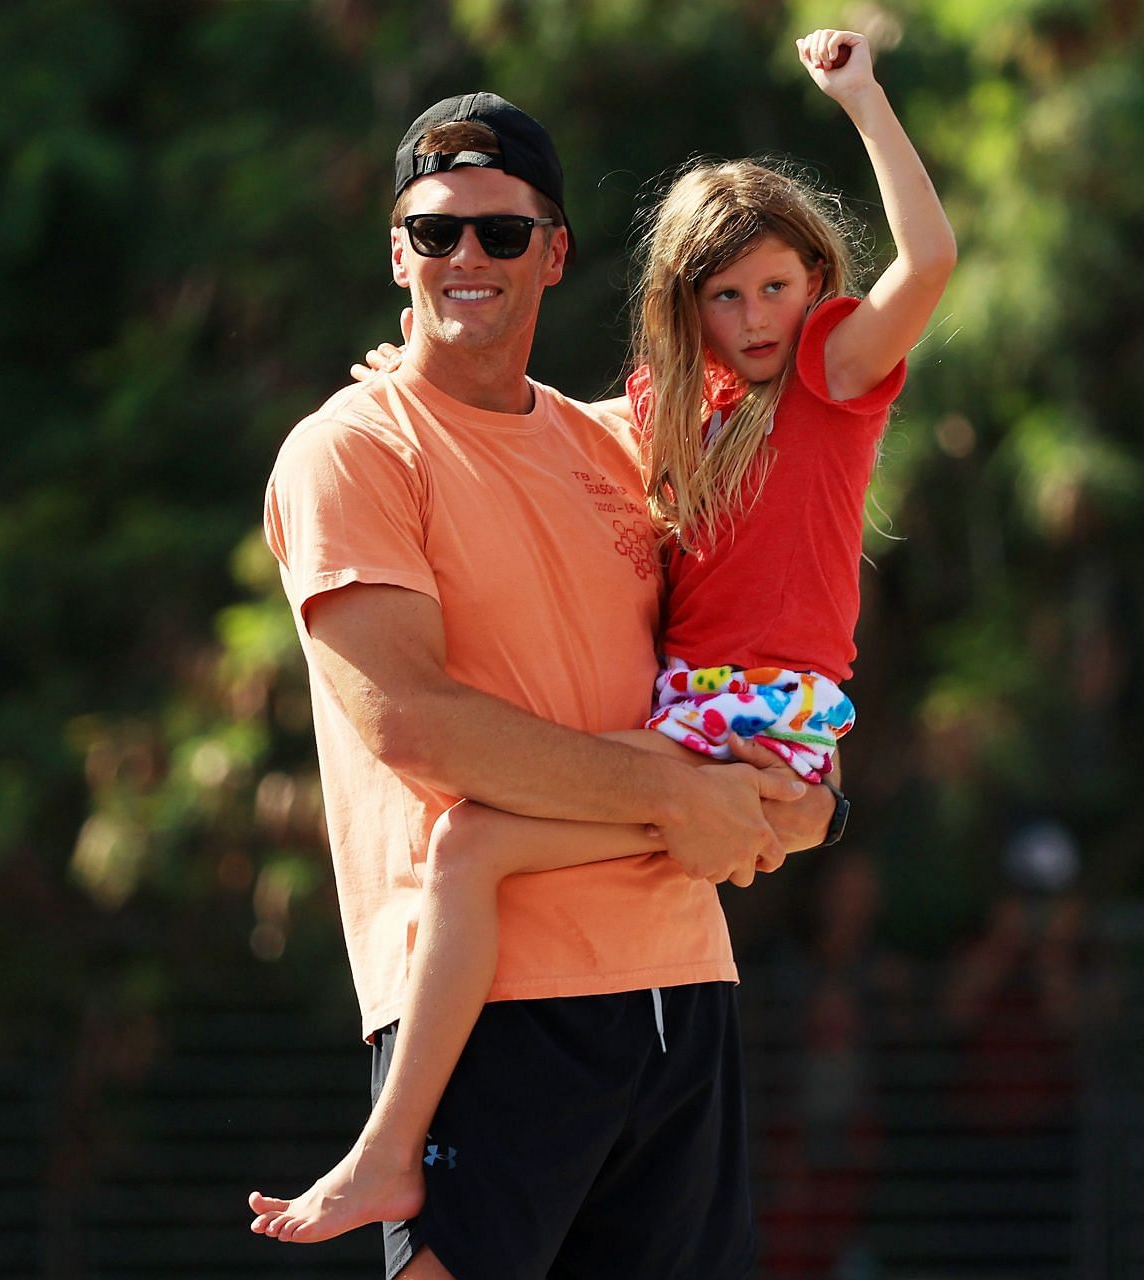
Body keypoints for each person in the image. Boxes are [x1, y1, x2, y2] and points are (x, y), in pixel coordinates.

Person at [249, 28, 954, 1278]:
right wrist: (689, 797)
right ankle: (386, 1144)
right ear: (397, 255)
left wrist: (795, 808)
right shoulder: (354, 448)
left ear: (554, 254)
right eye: (436, 233)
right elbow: (413, 720)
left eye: (502, 233)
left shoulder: (621, 443)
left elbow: (762, 609)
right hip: (495, 1005)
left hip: (684, 984)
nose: (468, 257)